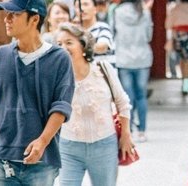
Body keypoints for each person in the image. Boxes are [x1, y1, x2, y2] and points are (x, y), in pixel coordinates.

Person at [0, 0, 75, 185]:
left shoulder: (60, 59)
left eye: (14, 14)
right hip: (0, 159)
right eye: (6, 13)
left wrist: (42, 141)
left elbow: (61, 106)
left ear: (35, 19)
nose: (6, 19)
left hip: (41, 161)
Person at [55, 23, 137, 186]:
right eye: (59, 44)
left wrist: (126, 135)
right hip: (68, 147)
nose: (63, 48)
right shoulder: (55, 76)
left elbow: (123, 102)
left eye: (69, 43)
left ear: (83, 46)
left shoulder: (103, 69)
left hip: (104, 145)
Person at [112, 0, 154, 143]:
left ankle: (127, 129)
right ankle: (142, 130)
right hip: (142, 57)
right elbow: (149, 36)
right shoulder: (145, 12)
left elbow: (112, 31)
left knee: (127, 96)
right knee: (141, 95)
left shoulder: (116, 11)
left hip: (123, 57)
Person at [75, 0, 115, 64]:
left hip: (103, 73)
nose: (82, 9)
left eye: (86, 4)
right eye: (78, 6)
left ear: (95, 9)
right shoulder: (74, 31)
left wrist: (77, 47)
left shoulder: (102, 27)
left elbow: (102, 47)